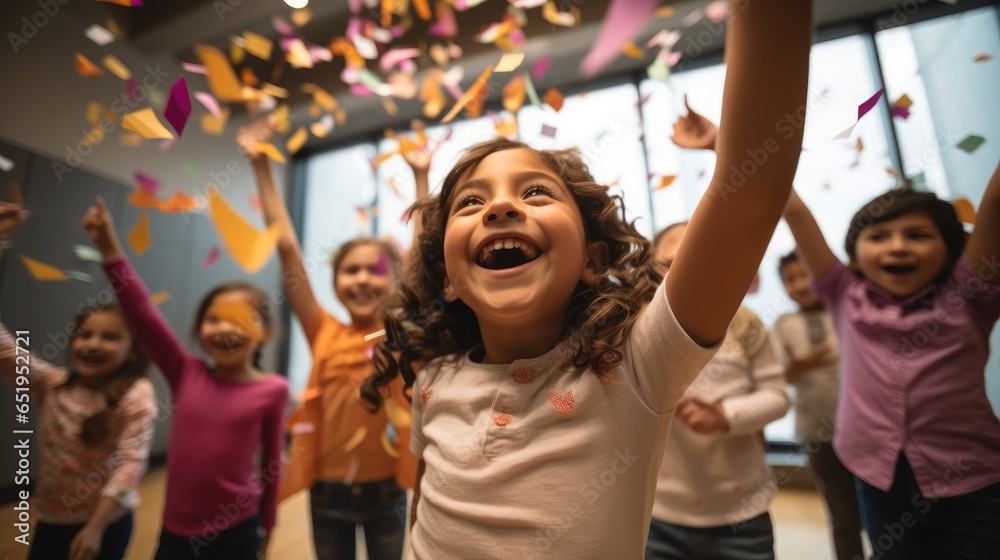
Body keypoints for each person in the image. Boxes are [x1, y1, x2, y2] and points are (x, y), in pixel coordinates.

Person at [361, 1, 814, 556]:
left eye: (535, 193)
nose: (500, 207)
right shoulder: (434, 377)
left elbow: (750, 191)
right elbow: (421, 516)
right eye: (471, 202)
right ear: (448, 278)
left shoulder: (637, 366)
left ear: (593, 259)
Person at [781, 160, 1000, 559]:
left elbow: (996, 202)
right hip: (878, 480)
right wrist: (721, 145)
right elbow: (793, 209)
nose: (897, 246)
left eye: (917, 235)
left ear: (950, 250)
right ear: (855, 255)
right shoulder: (844, 294)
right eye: (879, 236)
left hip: (972, 481)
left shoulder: (971, 295)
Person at [238, 118, 427, 560]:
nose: (362, 279)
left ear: (397, 282)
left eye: (375, 270)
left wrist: (420, 174)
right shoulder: (321, 327)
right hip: (327, 488)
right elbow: (285, 247)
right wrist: (262, 164)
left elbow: (421, 250)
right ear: (336, 280)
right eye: (350, 269)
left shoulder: (402, 329)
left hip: (388, 490)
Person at [82, 197, 289, 560]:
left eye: (241, 320)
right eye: (215, 318)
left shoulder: (273, 390)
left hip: (236, 529)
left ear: (264, 332)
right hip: (174, 531)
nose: (226, 328)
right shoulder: (184, 370)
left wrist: (268, 527)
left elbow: (272, 466)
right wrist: (108, 246)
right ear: (200, 327)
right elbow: (141, 310)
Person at [0, 201, 156, 560]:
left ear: (132, 352)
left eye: (110, 337)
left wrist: (95, 528)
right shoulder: (52, 384)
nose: (93, 344)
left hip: (104, 524)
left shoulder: (135, 394)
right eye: (85, 335)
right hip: (51, 518)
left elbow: (131, 464)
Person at [646, 222, 790, 560]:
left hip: (741, 511)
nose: (690, 275)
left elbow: (778, 395)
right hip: (656, 512)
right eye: (673, 265)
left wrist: (725, 415)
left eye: (706, 262)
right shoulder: (637, 331)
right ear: (650, 270)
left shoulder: (745, 323)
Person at [773, 251, 863, 560]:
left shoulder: (848, 312)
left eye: (806, 275)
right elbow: (781, 376)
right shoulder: (784, 324)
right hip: (817, 432)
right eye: (790, 279)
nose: (799, 284)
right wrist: (799, 366)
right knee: (842, 514)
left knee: (879, 509)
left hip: (865, 429)